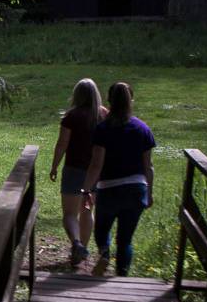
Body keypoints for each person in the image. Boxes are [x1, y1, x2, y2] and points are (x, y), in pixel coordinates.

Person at [80, 81, 155, 277]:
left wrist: (86, 190)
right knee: (126, 240)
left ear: (109, 101)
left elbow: (96, 164)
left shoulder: (103, 129)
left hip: (109, 189)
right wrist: (149, 192)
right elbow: (148, 167)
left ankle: (104, 254)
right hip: (137, 189)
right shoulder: (143, 129)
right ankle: (122, 275)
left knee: (102, 231)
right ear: (131, 100)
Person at [49, 78, 108, 266]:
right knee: (87, 211)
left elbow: (62, 144)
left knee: (69, 213)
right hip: (96, 171)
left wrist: (54, 166)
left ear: (77, 95)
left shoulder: (71, 116)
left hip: (74, 169)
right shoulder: (103, 115)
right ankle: (82, 246)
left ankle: (76, 244)